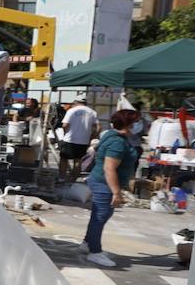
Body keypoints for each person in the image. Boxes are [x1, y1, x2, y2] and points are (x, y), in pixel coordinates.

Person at [83, 108, 142, 268]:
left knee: (99, 215)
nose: (139, 125)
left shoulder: (113, 135)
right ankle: (95, 252)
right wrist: (116, 192)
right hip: (104, 183)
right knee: (101, 216)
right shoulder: (117, 141)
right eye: (136, 122)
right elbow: (109, 168)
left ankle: (88, 243)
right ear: (129, 123)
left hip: (101, 181)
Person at [59, 96, 99, 182]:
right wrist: (92, 136)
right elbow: (98, 127)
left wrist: (66, 133)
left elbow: (65, 125)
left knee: (64, 158)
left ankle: (62, 178)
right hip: (84, 141)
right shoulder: (92, 112)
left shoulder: (72, 111)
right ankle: (74, 179)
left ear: (76, 102)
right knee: (78, 160)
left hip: (70, 139)